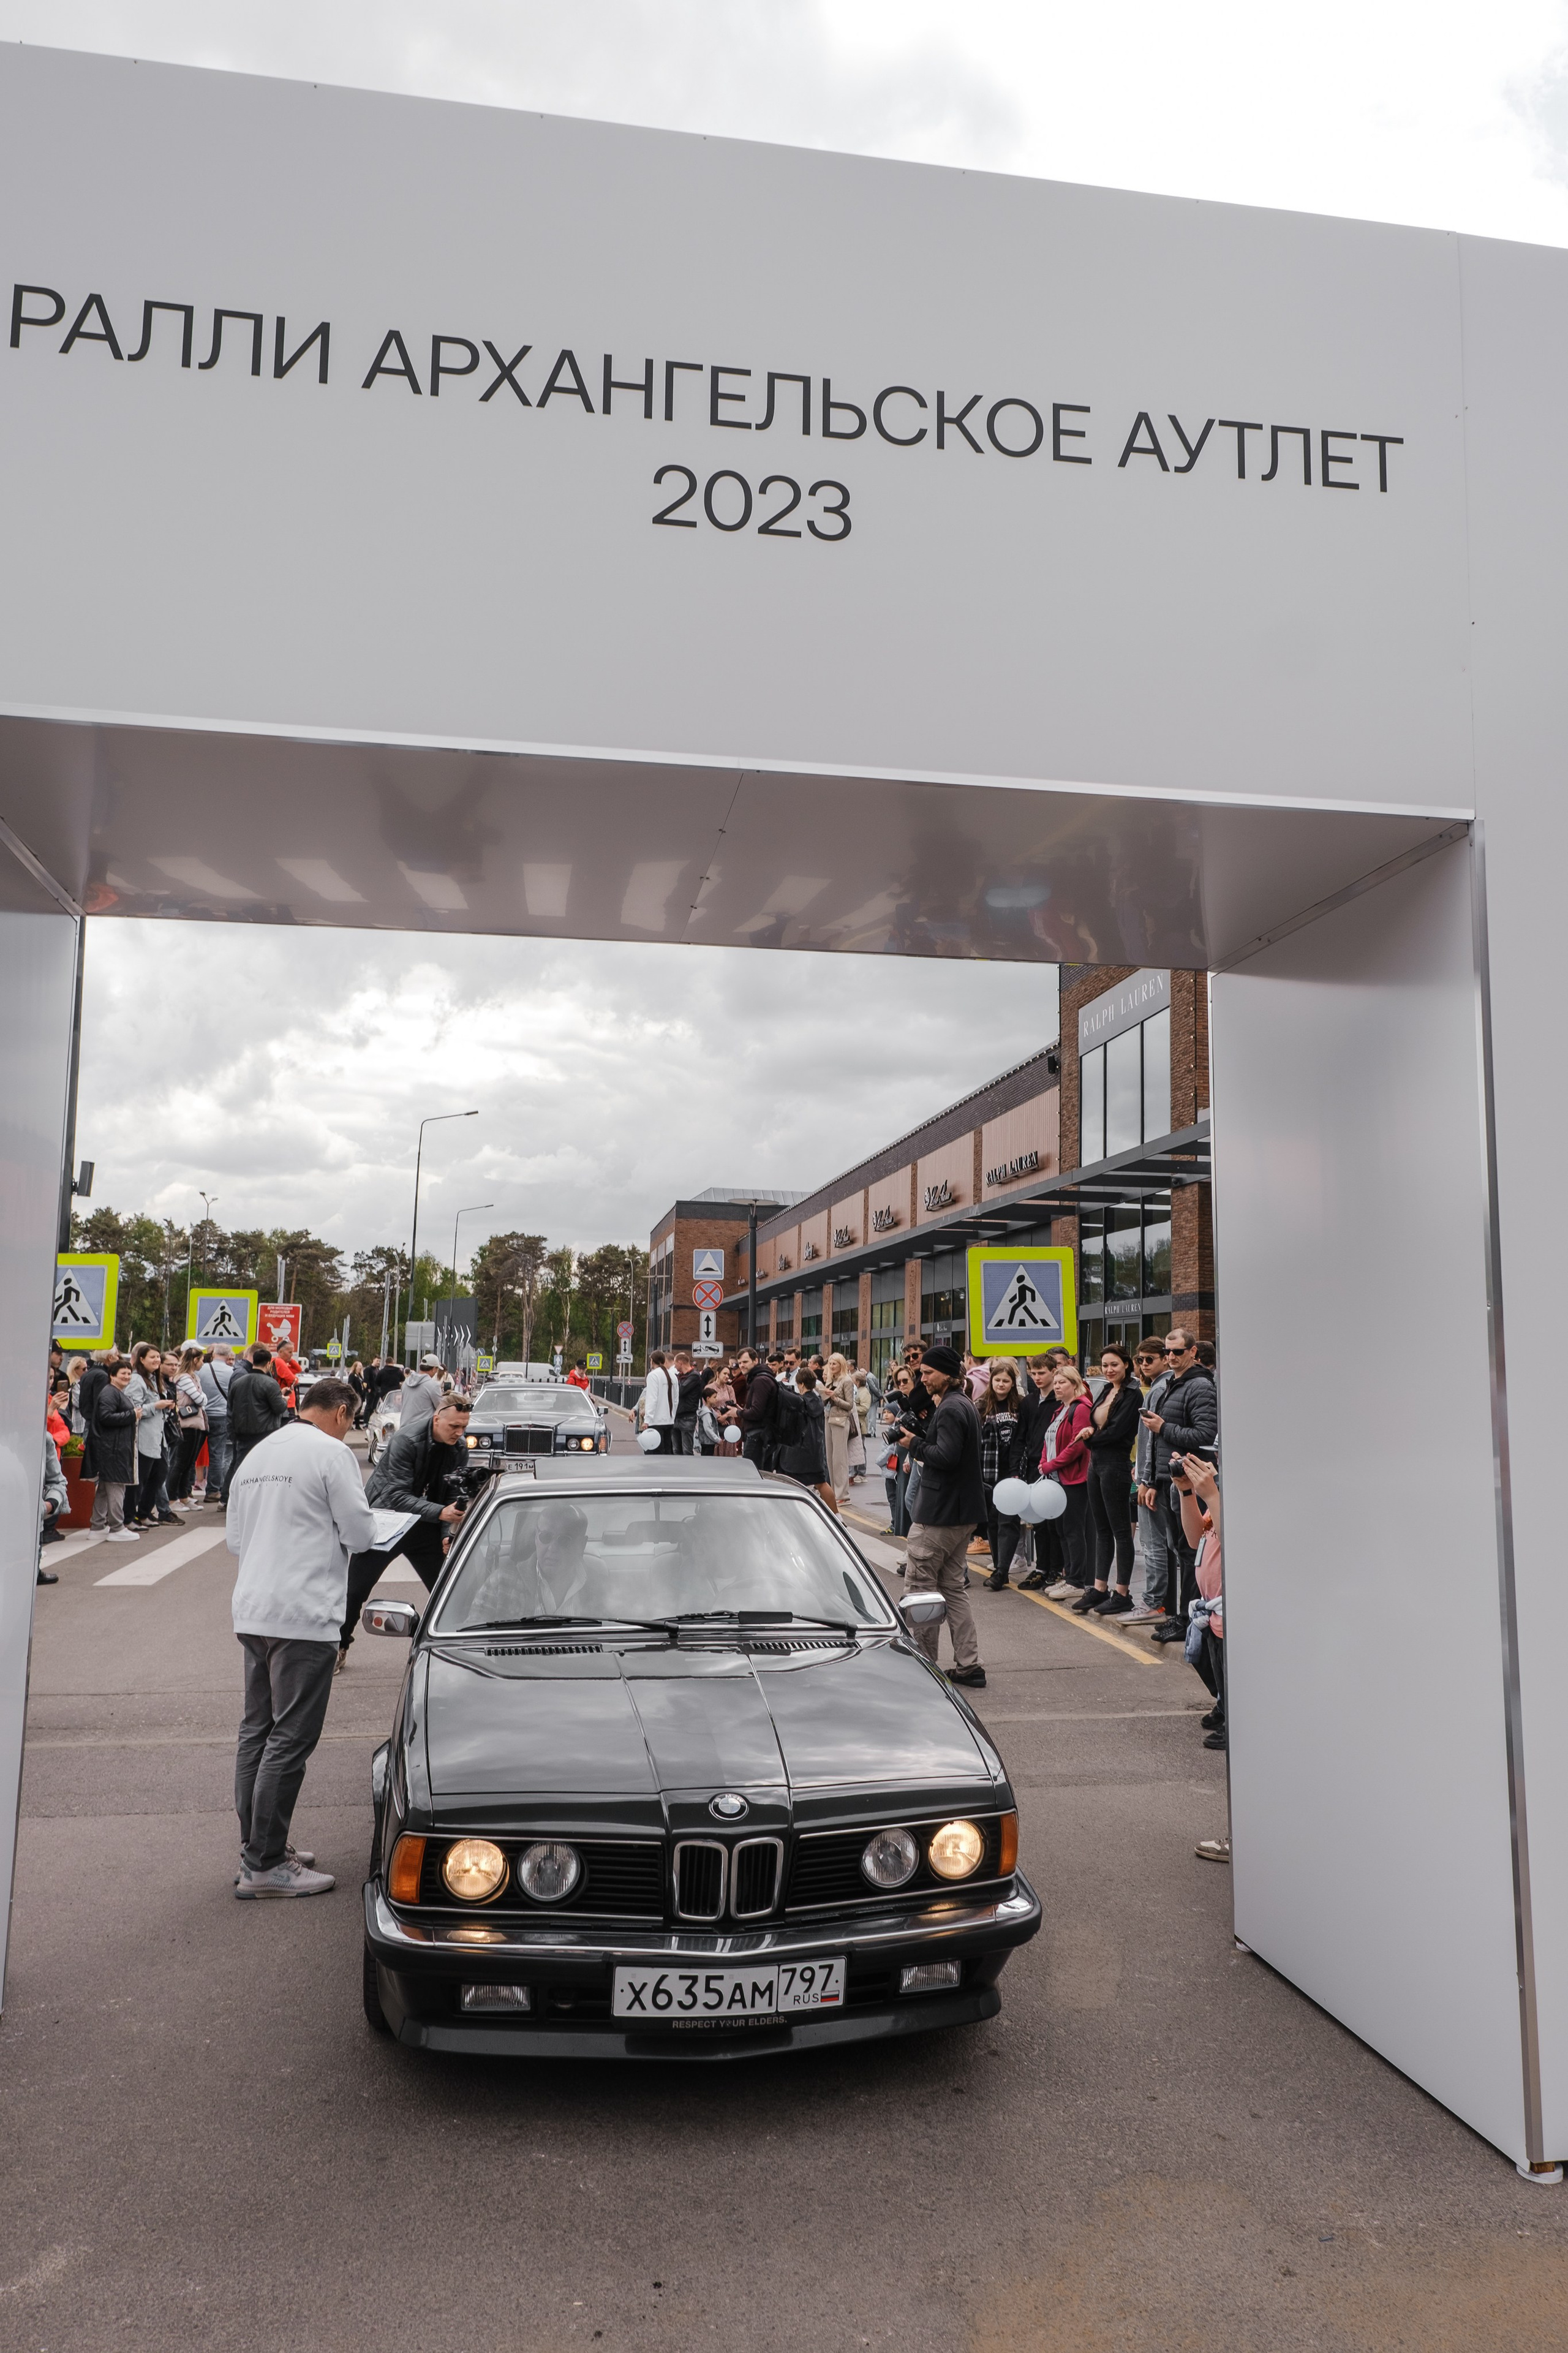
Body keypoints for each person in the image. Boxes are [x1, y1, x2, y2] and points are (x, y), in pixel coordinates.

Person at [227, 1377, 379, 1897]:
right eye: (352, 1420)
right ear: (340, 1411)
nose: (350, 1428)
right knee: (290, 1738)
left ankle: (257, 1848)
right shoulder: (331, 1455)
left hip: (253, 1610)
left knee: (257, 1733)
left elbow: (234, 1540)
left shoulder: (258, 1453)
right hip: (303, 1613)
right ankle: (266, 1864)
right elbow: (362, 1534)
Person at [339, 1393, 475, 1663]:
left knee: (449, 1589)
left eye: (464, 1427)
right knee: (355, 1590)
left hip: (426, 1524)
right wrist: (441, 1513)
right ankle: (339, 1647)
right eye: (453, 1427)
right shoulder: (406, 1440)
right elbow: (397, 1496)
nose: (459, 1433)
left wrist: (448, 1533)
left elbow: (451, 1496)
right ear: (437, 1418)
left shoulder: (459, 1447)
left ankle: (454, 1649)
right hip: (388, 1521)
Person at [902, 1345, 986, 1688]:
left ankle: (925, 1667)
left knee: (921, 1589)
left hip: (940, 1515)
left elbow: (946, 1457)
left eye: (927, 1373)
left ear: (948, 1374)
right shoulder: (960, 1403)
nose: (922, 1378)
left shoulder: (952, 1408)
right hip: (961, 1513)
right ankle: (969, 1666)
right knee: (952, 1589)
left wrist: (914, 1445)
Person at [1140, 1328, 1218, 1644]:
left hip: (1195, 1482)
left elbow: (1204, 1436)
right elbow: (1158, 1446)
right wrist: (1155, 1481)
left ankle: (1190, 1620)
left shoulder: (1199, 1385)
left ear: (1193, 1352)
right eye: (1168, 1352)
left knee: (1191, 1553)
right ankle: (1183, 1617)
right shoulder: (1175, 1383)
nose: (1171, 1357)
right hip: (1173, 1479)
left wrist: (1164, 1426)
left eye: (1177, 1352)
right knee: (1180, 1551)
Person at [1077, 1343, 1144, 1616]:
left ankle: (1123, 1593)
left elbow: (1118, 1432)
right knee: (1102, 1529)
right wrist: (1092, 1432)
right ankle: (1099, 1588)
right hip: (1096, 1465)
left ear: (1126, 1364)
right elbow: (1097, 1422)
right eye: (1105, 1365)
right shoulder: (1106, 1389)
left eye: (1114, 1364)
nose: (1109, 1370)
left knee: (1121, 1532)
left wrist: (1091, 1438)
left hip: (1116, 1464)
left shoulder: (1133, 1394)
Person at [1020, 1364, 1092, 1594]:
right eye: (1057, 1382)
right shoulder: (1060, 1409)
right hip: (1054, 1479)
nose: (1058, 1387)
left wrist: (1050, 1464)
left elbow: (1077, 1447)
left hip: (1073, 1480)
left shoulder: (1080, 1409)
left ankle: (1077, 1581)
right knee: (1060, 1530)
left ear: (1075, 1385)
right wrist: (1044, 1462)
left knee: (1072, 1530)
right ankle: (1067, 1575)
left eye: (1063, 1383)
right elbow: (1048, 1440)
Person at [1175, 1449, 1226, 1759]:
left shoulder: (1235, 1496)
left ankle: (1238, 1720)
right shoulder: (1219, 1497)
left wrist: (1212, 1494)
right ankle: (1225, 1705)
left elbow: (1232, 1537)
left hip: (1227, 1607)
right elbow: (1196, 1538)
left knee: (1227, 1666)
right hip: (1211, 1606)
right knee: (1210, 1661)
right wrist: (1186, 1491)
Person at [1128, 1337, 1173, 1623]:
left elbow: (1151, 1441)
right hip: (1154, 1475)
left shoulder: (1158, 1389)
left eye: (1150, 1360)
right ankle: (1158, 1602)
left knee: (1152, 1542)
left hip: (1153, 1477)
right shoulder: (1163, 1386)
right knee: (1159, 1542)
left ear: (1165, 1359)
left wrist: (1146, 1478)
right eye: (1141, 1360)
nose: (1144, 1365)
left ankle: (1154, 1603)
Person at [978, 1360, 1028, 1591]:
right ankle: (1000, 1567)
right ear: (991, 1381)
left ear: (1012, 1383)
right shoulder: (980, 1406)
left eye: (1006, 1381)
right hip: (987, 1472)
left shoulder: (1020, 1406)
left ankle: (1001, 1572)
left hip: (1012, 1472)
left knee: (1009, 1521)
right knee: (993, 1521)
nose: (1001, 1384)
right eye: (997, 1380)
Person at [126, 1343, 178, 1527]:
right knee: (140, 1479)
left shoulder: (156, 1380)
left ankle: (144, 1513)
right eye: (152, 1357)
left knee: (159, 1475)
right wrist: (156, 1406)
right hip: (144, 1438)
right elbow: (134, 1410)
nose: (156, 1360)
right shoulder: (136, 1380)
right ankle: (129, 1518)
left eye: (158, 1357)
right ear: (141, 1359)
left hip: (159, 1437)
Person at [228, 1343, 288, 1489]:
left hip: (242, 1432)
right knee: (262, 1469)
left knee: (240, 1467)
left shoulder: (238, 1382)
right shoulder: (270, 1383)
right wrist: (284, 1400)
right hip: (265, 1433)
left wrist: (232, 1431)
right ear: (268, 1364)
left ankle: (233, 1497)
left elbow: (231, 1408)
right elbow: (279, 1407)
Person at [92, 1361, 140, 1541]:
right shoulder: (110, 1393)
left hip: (113, 1447)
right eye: (123, 1374)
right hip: (113, 1449)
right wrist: (132, 1415)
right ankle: (117, 1527)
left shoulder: (114, 1392)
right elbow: (106, 1417)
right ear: (112, 1375)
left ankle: (97, 1525)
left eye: (129, 1373)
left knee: (105, 1488)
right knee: (116, 1487)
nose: (127, 1377)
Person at [777, 1364, 832, 1506]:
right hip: (816, 1450)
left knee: (791, 1483)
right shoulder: (818, 1400)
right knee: (821, 1483)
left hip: (798, 1452)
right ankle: (838, 1516)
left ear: (800, 1384)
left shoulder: (800, 1402)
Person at [168, 1343, 208, 1506]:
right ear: (195, 1360)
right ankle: (172, 1498)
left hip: (196, 1423)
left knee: (189, 1462)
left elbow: (202, 1399)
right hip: (187, 1423)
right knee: (181, 1463)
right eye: (202, 1360)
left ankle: (184, 1496)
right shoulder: (184, 1378)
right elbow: (201, 1399)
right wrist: (202, 1397)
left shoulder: (193, 1377)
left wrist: (202, 1397)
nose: (203, 1364)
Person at [198, 1343, 236, 1505]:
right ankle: (213, 1490)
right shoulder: (232, 1373)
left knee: (190, 1456)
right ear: (228, 1357)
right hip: (222, 1417)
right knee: (217, 1455)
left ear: (213, 1354)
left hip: (201, 1415)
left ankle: (183, 1492)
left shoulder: (201, 1370)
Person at [821, 1352, 856, 1508]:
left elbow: (850, 1405)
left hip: (841, 1421)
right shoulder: (831, 1380)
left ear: (841, 1364)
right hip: (828, 1418)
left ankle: (843, 1494)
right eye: (830, 1364)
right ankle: (835, 1492)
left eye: (834, 1364)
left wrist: (834, 1398)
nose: (832, 1366)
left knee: (839, 1459)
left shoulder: (847, 1381)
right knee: (830, 1458)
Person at [38, 1416, 68, 1581]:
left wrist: (49, 1505)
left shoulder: (45, 1439)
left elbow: (57, 1482)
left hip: (33, 1523)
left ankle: (35, 1570)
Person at [736, 1347, 776, 1469]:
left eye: (745, 1362)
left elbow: (757, 1412)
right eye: (740, 1363)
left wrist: (738, 1412)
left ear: (756, 1361)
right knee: (762, 1474)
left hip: (758, 1436)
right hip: (762, 1435)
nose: (742, 1365)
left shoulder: (760, 1381)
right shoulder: (759, 1378)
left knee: (751, 1474)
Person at [636, 1350, 679, 1450]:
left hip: (656, 1422)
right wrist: (672, 1415)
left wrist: (647, 1420)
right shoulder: (673, 1376)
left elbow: (652, 1399)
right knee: (668, 1451)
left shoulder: (653, 1376)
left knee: (655, 1453)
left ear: (652, 1361)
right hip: (669, 1421)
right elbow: (676, 1399)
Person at [398, 1354, 446, 1428]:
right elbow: (440, 1408)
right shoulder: (433, 1386)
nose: (436, 1372)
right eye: (437, 1369)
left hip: (404, 1428)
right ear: (433, 1369)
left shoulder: (406, 1383)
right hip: (422, 1430)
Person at [671, 1349, 704, 1456]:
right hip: (677, 1417)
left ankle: (688, 1471)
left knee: (687, 1451)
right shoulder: (680, 1376)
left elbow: (680, 1391)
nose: (675, 1367)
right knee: (676, 1450)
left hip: (687, 1417)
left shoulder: (694, 1376)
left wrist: (674, 1384)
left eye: (675, 1364)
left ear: (680, 1363)